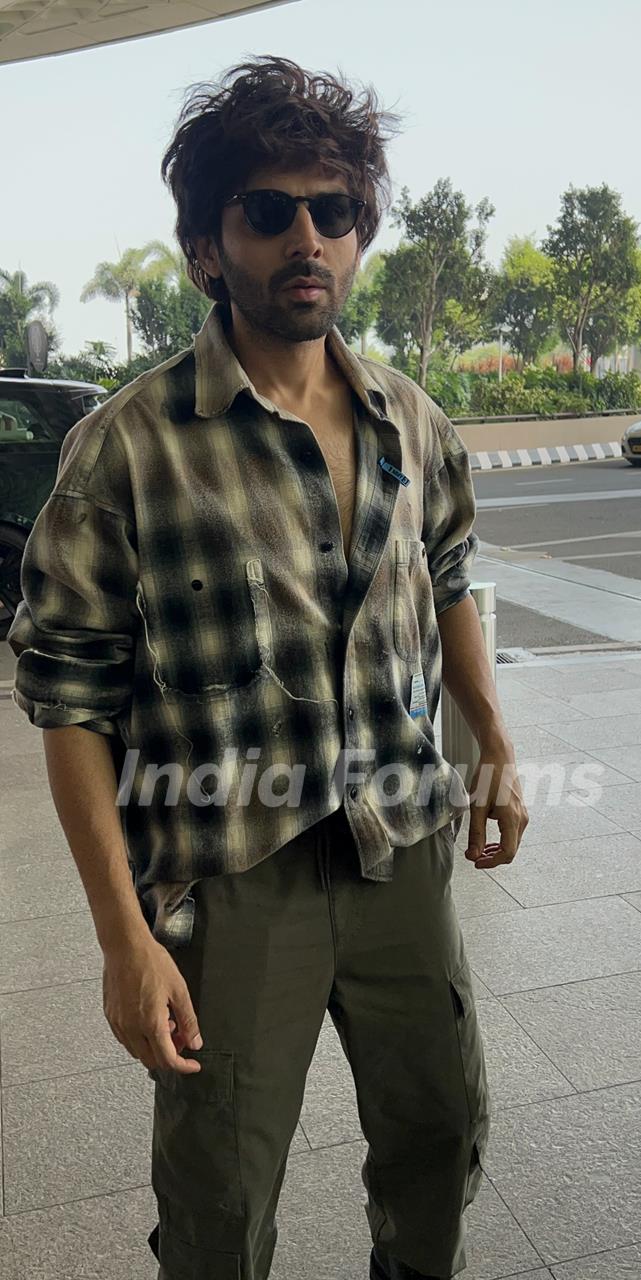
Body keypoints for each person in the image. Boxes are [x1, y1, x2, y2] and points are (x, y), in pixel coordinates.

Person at [8, 56, 528, 1280]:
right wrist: (121, 937)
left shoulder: (412, 418)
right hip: (231, 880)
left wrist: (494, 741)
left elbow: (449, 573)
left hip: (401, 851)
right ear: (206, 242)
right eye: (269, 208)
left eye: (334, 209)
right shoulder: (126, 447)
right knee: (221, 1195)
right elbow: (67, 694)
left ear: (362, 231)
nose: (309, 237)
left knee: (438, 1135)